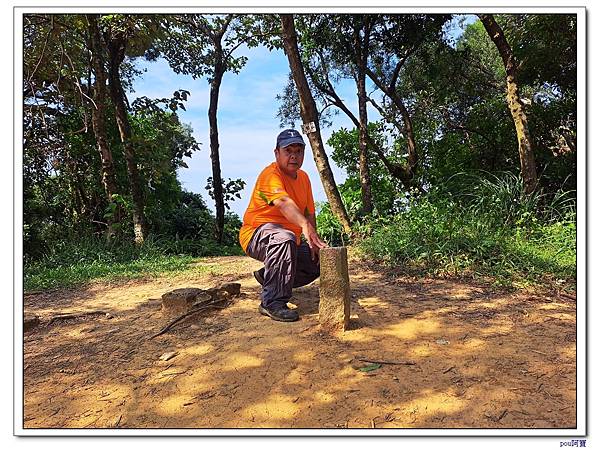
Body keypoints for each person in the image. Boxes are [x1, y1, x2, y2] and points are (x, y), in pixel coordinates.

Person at [239, 129, 328, 322]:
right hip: (256, 234)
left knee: (322, 259)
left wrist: (314, 241)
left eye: (299, 151)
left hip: (288, 240)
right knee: (284, 237)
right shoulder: (269, 175)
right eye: (288, 151)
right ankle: (272, 302)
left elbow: (309, 213)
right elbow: (284, 203)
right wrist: (304, 225)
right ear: (277, 153)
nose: (294, 156)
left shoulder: (304, 178)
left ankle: (269, 277)